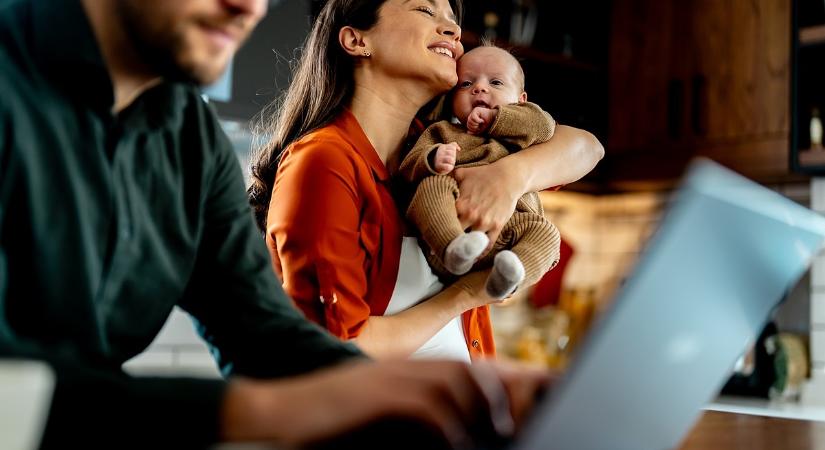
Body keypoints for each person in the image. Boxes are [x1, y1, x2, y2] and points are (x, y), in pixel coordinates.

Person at [0, 0, 551, 448]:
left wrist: (435, 391)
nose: (249, 8)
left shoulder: (189, 137)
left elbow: (263, 333)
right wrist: (262, 410)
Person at [250, 0, 603, 361]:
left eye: (452, 19)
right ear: (357, 41)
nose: (453, 30)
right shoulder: (326, 161)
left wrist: (509, 177)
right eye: (425, 10)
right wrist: (468, 293)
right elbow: (338, 347)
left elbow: (587, 148)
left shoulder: (450, 143)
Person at [399, 44, 561, 301]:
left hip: (511, 233)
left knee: (547, 232)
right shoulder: (442, 132)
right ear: (451, 101)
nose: (479, 88)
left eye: (496, 82)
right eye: (465, 84)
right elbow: (408, 166)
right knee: (432, 185)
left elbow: (544, 125)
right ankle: (453, 249)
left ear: (521, 100)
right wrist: (433, 158)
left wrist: (495, 118)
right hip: (451, 230)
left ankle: (512, 275)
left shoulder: (522, 138)